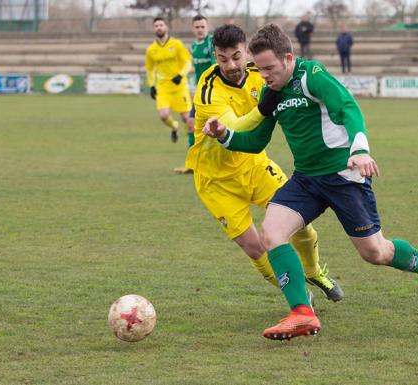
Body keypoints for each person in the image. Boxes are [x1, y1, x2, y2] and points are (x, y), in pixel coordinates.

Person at [203, 24, 418, 340]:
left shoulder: (312, 75)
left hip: (343, 177)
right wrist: (225, 135)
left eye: (269, 68)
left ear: (288, 58)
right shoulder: (272, 92)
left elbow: (348, 108)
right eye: (260, 69)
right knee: (271, 233)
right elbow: (256, 141)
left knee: (375, 253)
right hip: (306, 180)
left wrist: (360, 150)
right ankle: (302, 313)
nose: (263, 76)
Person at [187, 24, 344, 304]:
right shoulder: (209, 89)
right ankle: (297, 294)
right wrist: (262, 108)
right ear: (215, 56)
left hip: (255, 166)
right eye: (222, 59)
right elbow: (234, 128)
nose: (231, 65)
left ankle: (314, 272)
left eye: (236, 56)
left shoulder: (261, 73)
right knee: (255, 248)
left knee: (302, 225)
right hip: (216, 182)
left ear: (247, 51)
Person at [145, 16, 194, 172]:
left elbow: (187, 61)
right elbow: (150, 69)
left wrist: (181, 74)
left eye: (161, 25)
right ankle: (174, 127)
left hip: (179, 87)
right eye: (156, 25)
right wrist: (152, 85)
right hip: (163, 89)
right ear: (154, 29)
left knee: (187, 118)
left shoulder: (176, 44)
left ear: (166, 27)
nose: (159, 27)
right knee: (164, 116)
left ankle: (190, 143)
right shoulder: (151, 50)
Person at [175, 15, 217, 175]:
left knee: (215, 127)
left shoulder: (210, 42)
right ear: (193, 28)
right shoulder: (193, 45)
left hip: (212, 92)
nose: (200, 30)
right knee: (191, 124)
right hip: (200, 91)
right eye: (197, 27)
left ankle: (216, 162)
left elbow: (215, 66)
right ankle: (192, 164)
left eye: (202, 27)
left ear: (207, 28)